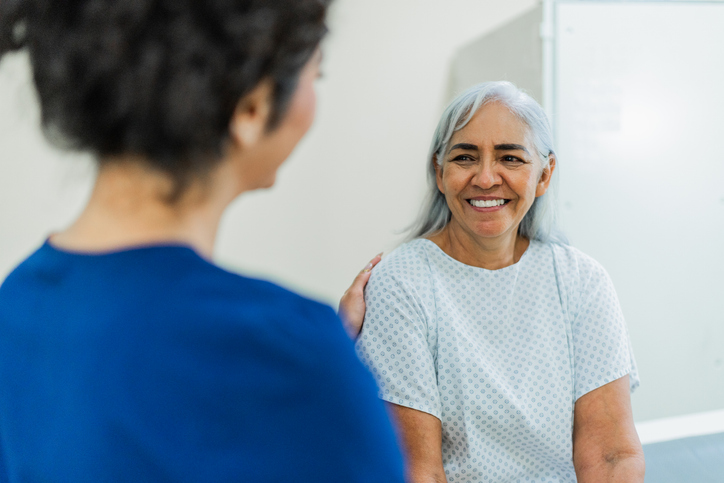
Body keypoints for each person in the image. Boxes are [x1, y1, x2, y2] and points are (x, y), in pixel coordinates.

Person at [0, 1, 404, 481]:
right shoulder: (293, 358)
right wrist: (320, 360)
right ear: (252, 106)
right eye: (318, 74)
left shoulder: (17, 304)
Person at [355, 81, 645, 482]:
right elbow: (419, 470)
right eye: (465, 157)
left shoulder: (582, 281)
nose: (487, 178)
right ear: (440, 173)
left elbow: (612, 456)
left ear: (544, 175)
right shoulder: (402, 283)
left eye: (510, 157)